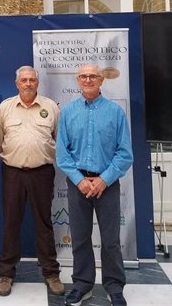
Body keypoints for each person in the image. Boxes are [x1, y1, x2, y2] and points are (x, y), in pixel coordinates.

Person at [56, 64, 133, 306]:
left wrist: (103, 179)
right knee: (79, 237)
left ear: (101, 80)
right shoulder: (68, 112)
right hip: (77, 184)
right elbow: (62, 154)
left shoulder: (115, 112)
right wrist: (80, 180)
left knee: (110, 240)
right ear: (78, 80)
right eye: (83, 76)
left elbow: (124, 153)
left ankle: (114, 286)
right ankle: (82, 284)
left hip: (106, 184)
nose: (88, 80)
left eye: (93, 76)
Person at [0, 65, 65, 297]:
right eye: (23, 80)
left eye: (32, 80)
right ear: (16, 84)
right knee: (11, 223)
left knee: (44, 224)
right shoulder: (5, 108)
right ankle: (6, 273)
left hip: (42, 173)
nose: (28, 84)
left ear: (37, 82)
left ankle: (51, 273)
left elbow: (58, 139)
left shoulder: (51, 107)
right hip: (12, 173)